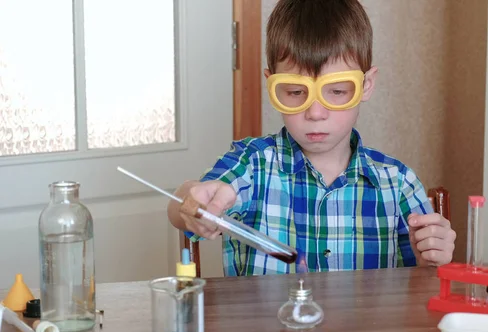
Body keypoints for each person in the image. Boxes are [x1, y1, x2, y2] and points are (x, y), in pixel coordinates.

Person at [168, 0, 456, 276]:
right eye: (295, 92)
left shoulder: (399, 184)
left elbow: (425, 284)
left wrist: (432, 260)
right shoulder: (252, 166)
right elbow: (182, 205)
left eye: (337, 91)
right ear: (273, 86)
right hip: (269, 327)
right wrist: (192, 200)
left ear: (366, 86)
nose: (315, 112)